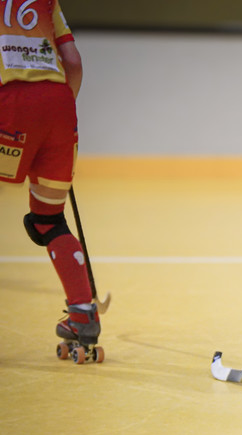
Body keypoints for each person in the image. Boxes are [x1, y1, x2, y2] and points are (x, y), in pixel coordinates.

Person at [0, 2, 102, 359]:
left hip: (9, 103)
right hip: (59, 106)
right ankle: (83, 316)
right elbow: (73, 63)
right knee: (48, 220)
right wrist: (55, 112)